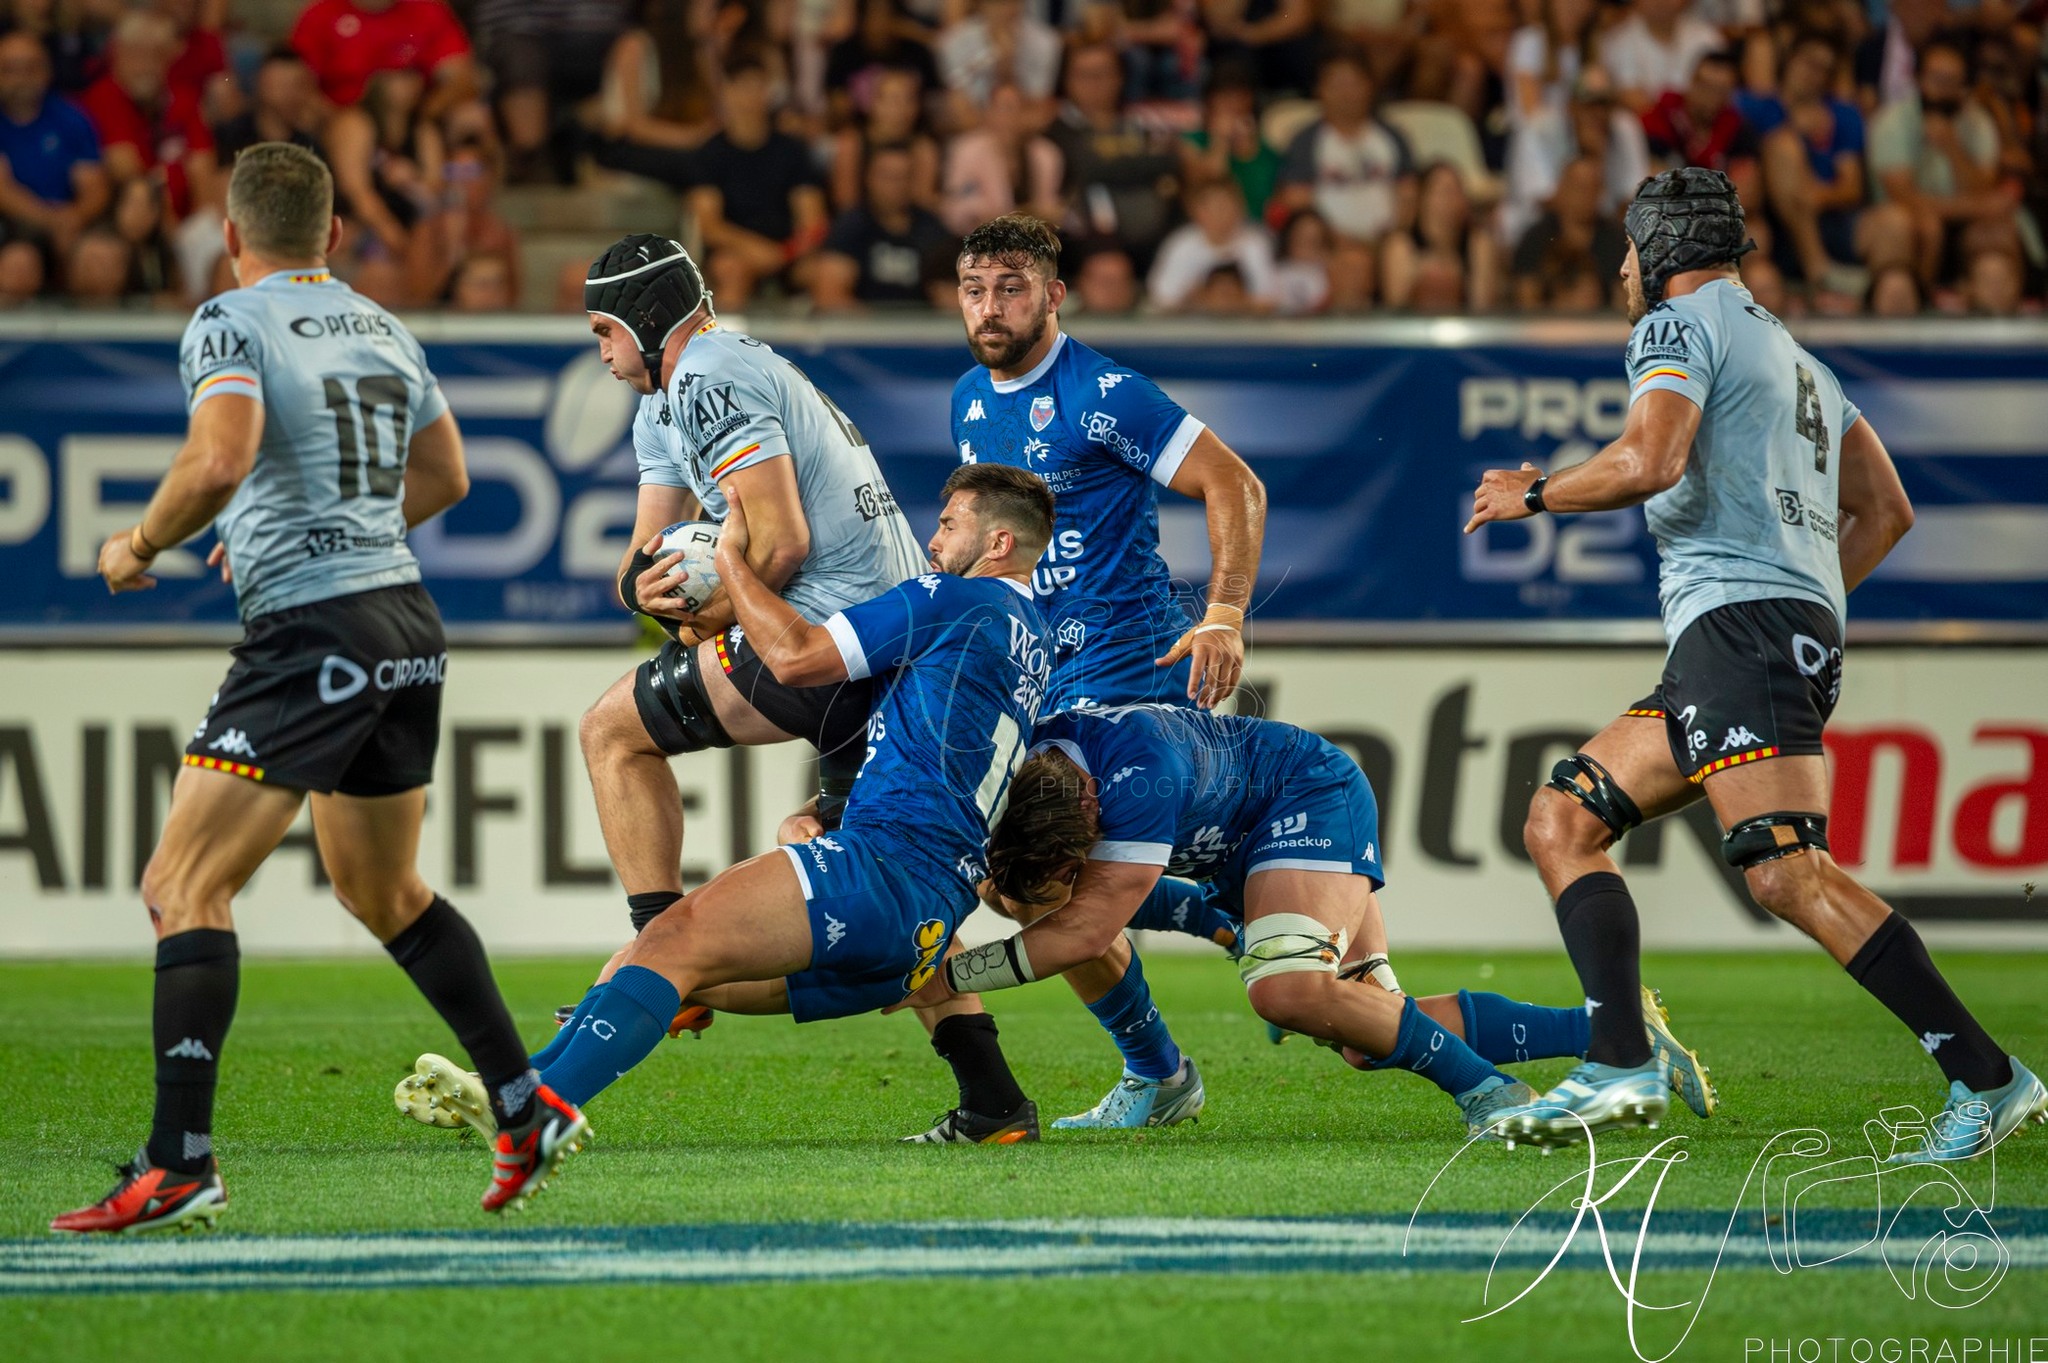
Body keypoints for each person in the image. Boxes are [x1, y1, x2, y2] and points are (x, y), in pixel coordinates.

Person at [52, 143, 585, 1234]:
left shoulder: (227, 319)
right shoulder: (383, 324)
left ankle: (179, 1162)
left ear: (233, 236)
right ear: (335, 237)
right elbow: (446, 477)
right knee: (381, 891)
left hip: (314, 631)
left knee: (179, 885)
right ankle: (524, 1103)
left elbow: (217, 458)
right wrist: (325, 532)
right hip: (405, 620)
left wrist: (138, 542)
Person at [1464, 167, 2047, 1157]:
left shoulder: (1674, 327)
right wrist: (1806, 604)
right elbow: (1887, 510)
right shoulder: (1796, 359)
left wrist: (1533, 494)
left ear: (1655, 250)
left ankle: (1985, 1077)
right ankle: (1617, 1061)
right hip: (1749, 638)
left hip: (1743, 633)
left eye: (1625, 250)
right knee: (1560, 818)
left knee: (1783, 871)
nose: (1618, 270)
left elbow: (1648, 459)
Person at [403, 465, 1059, 1145]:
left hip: (879, 874)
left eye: (950, 523)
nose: (933, 538)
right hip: (926, 928)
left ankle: (533, 1110)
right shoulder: (1032, 640)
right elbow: (945, 756)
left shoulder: (949, 599)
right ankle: (517, 1089)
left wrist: (729, 565)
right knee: (652, 963)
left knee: (670, 938)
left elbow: (798, 655)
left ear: (999, 542)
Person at [896, 705, 1715, 1137]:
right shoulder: (1050, 779)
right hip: (1250, 849)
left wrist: (947, 975)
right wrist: (1224, 927)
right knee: (1365, 1036)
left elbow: (1081, 932)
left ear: (1084, 823)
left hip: (1306, 801)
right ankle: (1612, 1026)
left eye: (1069, 871)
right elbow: (1129, 900)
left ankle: (1494, 1095)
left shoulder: (1131, 782)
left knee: (1285, 990)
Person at [943, 212, 1264, 1133]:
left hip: (1124, 667)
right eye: (975, 288)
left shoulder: (1105, 394)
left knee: (1040, 873)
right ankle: (1206, 935)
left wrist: (1226, 613)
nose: (991, 306)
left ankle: (1163, 1056)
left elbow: (1233, 483)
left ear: (1054, 294)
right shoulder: (969, 396)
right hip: (1038, 673)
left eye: (1011, 287)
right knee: (1017, 881)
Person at [811, 142, 954, 311]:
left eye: (905, 176)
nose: (897, 185)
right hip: (864, 330)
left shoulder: (932, 228)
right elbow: (829, 295)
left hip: (921, 331)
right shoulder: (851, 227)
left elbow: (952, 295)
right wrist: (877, 328)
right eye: (888, 176)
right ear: (868, 178)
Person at [0, 30, 108, 250]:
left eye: (30, 68)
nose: (21, 79)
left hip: (70, 223)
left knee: (101, 254)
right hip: (11, 227)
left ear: (47, 71)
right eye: (10, 70)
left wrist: (74, 218)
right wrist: (50, 221)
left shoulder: (71, 118)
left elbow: (94, 187)